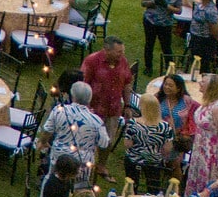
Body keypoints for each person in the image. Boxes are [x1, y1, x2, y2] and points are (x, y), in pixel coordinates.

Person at [80, 36, 132, 178]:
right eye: (118, 52)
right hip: (94, 109)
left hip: (113, 109)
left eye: (122, 52)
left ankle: (101, 165)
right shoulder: (92, 61)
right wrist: (86, 107)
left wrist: (127, 104)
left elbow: (127, 82)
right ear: (106, 50)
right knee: (88, 139)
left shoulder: (123, 62)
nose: (121, 55)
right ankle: (85, 166)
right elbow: (83, 84)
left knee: (108, 140)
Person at [40, 81, 106, 186]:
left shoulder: (59, 110)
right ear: (89, 99)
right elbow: (104, 143)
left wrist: (43, 142)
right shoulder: (97, 121)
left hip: (59, 158)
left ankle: (46, 196)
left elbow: (47, 131)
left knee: (52, 181)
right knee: (79, 190)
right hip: (83, 162)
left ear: (73, 95)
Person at [184, 74, 218, 197]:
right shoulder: (208, 103)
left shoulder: (217, 108)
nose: (200, 84)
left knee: (207, 185)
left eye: (203, 82)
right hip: (200, 151)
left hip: (212, 154)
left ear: (211, 87)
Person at [119, 93, 175, 187]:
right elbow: (168, 148)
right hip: (154, 161)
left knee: (131, 185)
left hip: (134, 159)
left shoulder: (133, 123)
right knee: (153, 186)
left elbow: (127, 144)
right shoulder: (165, 126)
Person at [143, 0, 182, 74]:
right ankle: (148, 67)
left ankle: (169, 68)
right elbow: (143, 3)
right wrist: (153, 2)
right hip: (150, 21)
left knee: (166, 47)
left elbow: (179, 10)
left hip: (165, 24)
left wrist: (167, 6)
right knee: (149, 44)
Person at [186, 0, 218, 66]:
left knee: (202, 65)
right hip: (195, 37)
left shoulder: (210, 11)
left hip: (204, 42)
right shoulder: (199, 5)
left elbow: (214, 30)